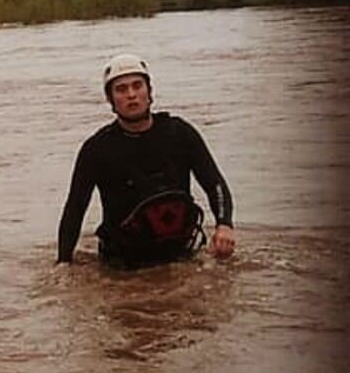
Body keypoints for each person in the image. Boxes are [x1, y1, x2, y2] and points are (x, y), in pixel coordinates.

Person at [56, 54, 236, 268]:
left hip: (181, 256)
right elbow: (76, 207)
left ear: (149, 92)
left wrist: (224, 225)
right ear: (110, 99)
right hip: (123, 264)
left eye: (137, 86)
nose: (131, 95)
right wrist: (63, 262)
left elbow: (214, 183)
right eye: (121, 89)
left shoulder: (180, 133)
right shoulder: (96, 149)